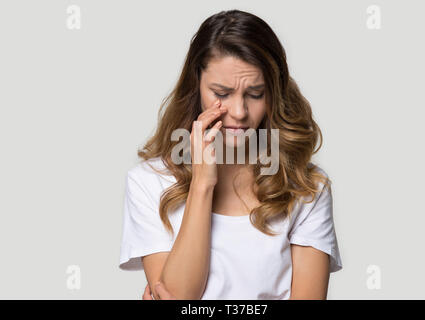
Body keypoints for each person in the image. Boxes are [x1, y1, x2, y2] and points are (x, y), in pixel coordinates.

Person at [119, 9, 343, 300]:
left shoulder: (306, 187)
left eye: (256, 93)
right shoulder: (148, 182)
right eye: (221, 93)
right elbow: (179, 297)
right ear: (196, 86)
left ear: (273, 93)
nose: (239, 113)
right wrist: (202, 184)